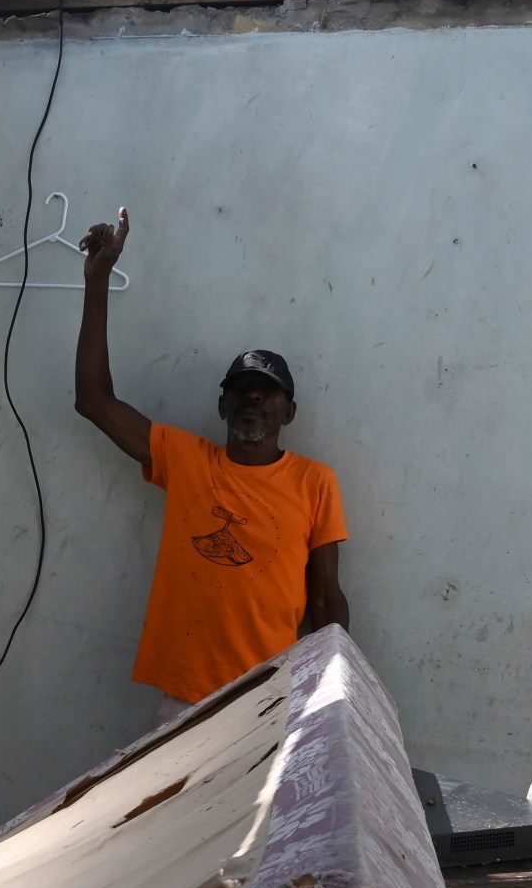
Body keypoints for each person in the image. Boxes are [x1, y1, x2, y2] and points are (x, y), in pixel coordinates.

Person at [71, 209, 350, 726]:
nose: (253, 397)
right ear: (222, 407)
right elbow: (93, 399)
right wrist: (98, 281)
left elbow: (325, 596)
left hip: (271, 701)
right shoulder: (185, 458)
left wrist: (330, 700)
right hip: (185, 699)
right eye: (241, 389)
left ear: (288, 413)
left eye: (268, 392)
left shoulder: (315, 482)